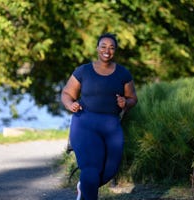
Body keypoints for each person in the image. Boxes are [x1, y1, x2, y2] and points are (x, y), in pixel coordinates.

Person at [61, 33, 138, 200]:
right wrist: (70, 104)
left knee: (109, 170)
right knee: (90, 168)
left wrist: (125, 102)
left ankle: (84, 186)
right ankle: (87, 192)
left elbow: (133, 99)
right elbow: (67, 93)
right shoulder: (83, 71)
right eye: (103, 46)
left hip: (111, 126)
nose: (107, 51)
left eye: (111, 48)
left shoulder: (123, 73)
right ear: (97, 48)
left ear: (115, 51)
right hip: (85, 123)